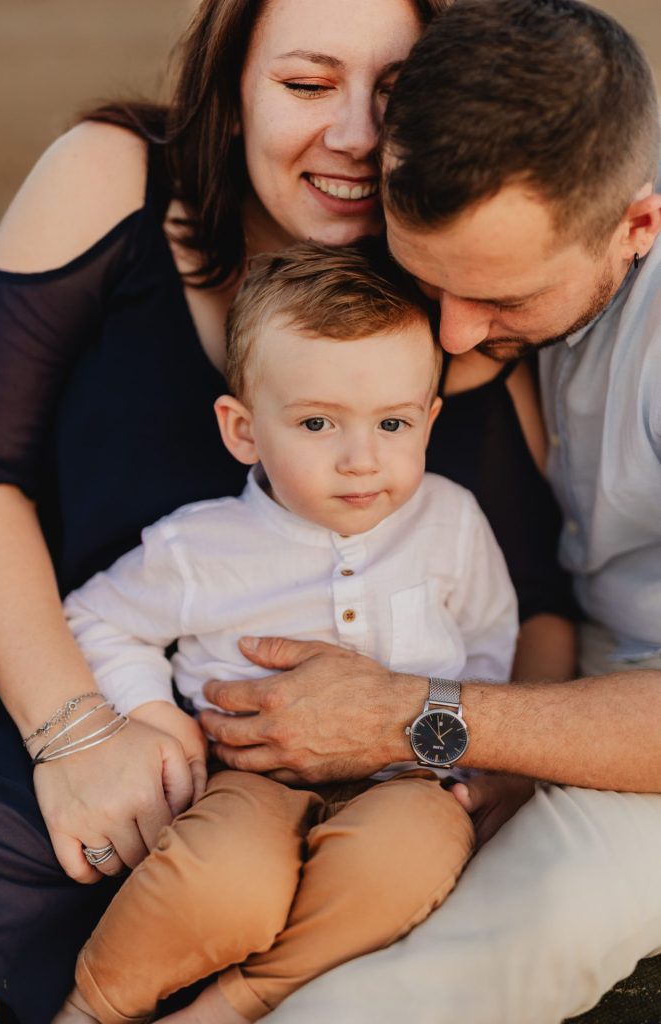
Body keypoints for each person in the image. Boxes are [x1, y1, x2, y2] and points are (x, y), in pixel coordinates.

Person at [0, 2, 461, 1021]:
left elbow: (530, 587)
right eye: (305, 84)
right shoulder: (111, 176)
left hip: (323, 808)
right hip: (43, 698)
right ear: (233, 95)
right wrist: (76, 736)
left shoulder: (453, 270)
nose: (357, 135)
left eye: (396, 90)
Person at [193, 2, 660, 1022]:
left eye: (502, 301)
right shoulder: (489, 252)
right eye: (427, 276)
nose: (451, 333)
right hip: (561, 666)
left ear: (636, 225)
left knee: (492, 946)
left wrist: (422, 718)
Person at [54, 241, 519, 1024]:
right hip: (246, 776)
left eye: (394, 422)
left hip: (403, 782)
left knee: (413, 857)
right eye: (315, 423)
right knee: (220, 883)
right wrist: (151, 713)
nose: (360, 460)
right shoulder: (198, 547)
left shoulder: (449, 521)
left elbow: (486, 639)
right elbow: (95, 618)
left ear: (430, 420)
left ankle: (239, 1002)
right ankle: (96, 1008)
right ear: (243, 430)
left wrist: (476, 752)